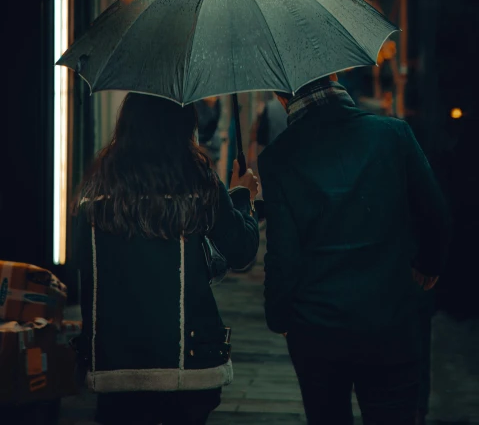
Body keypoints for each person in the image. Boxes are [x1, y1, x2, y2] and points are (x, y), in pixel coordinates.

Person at [258, 74, 450, 425]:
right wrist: (428, 264)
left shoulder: (278, 158)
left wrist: (279, 315)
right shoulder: (394, 134)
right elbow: (434, 212)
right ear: (334, 78)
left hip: (316, 330)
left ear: (282, 98)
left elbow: (283, 254)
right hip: (391, 321)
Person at [73, 92, 259, 425]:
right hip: (187, 363)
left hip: (118, 363)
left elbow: (84, 268)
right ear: (184, 124)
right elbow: (241, 251)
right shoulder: (200, 183)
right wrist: (242, 195)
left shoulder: (96, 191)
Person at [196, 96, 223, 169]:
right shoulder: (198, 104)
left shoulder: (217, 101)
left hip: (213, 148)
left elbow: (215, 121)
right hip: (201, 148)